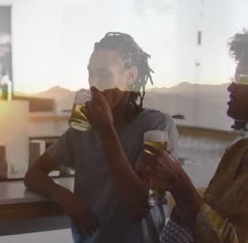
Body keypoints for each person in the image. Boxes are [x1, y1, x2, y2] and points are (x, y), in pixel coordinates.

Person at [24, 32, 179, 242]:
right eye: (91, 74)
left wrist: (107, 130)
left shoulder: (157, 127)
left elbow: (138, 207)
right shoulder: (83, 128)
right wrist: (67, 199)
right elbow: (34, 174)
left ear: (130, 76)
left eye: (104, 75)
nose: (94, 85)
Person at [138, 30, 248, 242]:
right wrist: (171, 185)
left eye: (242, 76)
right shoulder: (237, 152)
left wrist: (178, 182)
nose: (231, 86)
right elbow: (204, 220)